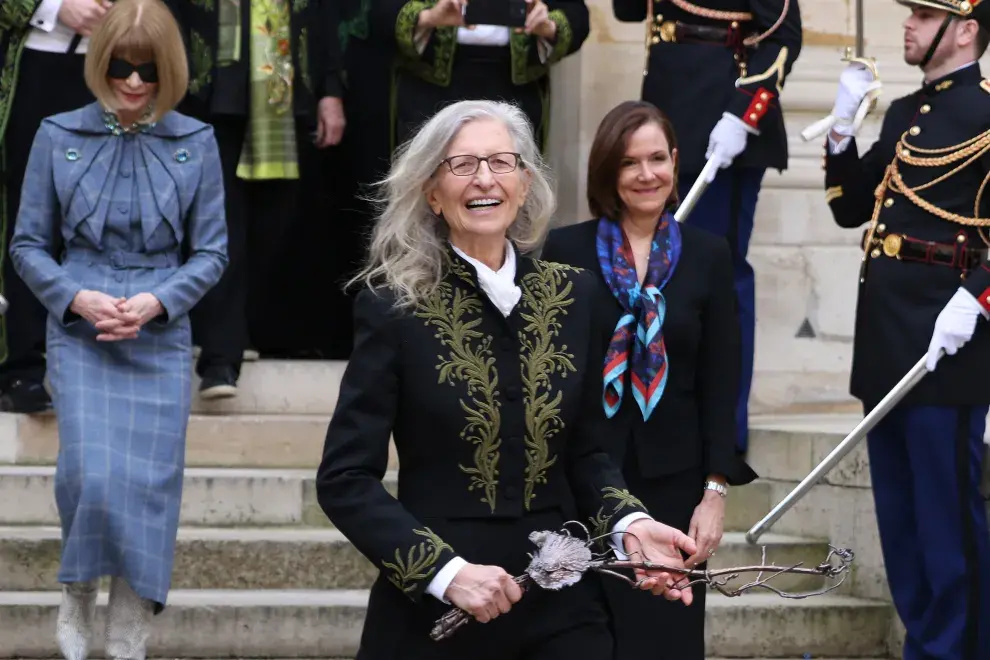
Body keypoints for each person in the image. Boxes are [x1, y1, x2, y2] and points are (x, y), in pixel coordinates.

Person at [316, 98, 699, 660]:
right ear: (432, 193)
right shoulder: (394, 306)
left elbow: (589, 454)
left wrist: (630, 525)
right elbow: (345, 478)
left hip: (564, 604)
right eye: (462, 164)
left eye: (501, 162)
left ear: (524, 184)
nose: (484, 178)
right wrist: (446, 574)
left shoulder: (576, 296)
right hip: (439, 609)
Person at [7, 0, 228, 657]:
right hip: (81, 332)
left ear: (171, 71)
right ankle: (77, 590)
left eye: (149, 71)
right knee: (92, 475)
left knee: (149, 485)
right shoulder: (56, 134)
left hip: (158, 334)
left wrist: (160, 301)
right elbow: (25, 245)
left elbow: (212, 252)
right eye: (123, 69)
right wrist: (75, 296)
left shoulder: (197, 142)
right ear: (101, 65)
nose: (134, 84)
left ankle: (130, 618)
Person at [541, 100, 758, 660]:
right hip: (582, 479)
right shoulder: (563, 251)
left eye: (657, 158)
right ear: (608, 172)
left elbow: (721, 381)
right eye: (630, 162)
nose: (646, 174)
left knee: (666, 637)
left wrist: (714, 493)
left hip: (675, 483)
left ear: (676, 162)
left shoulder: (710, 255)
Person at [822, 1, 990, 658]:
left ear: (967, 29)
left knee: (946, 516)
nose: (909, 25)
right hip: (888, 335)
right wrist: (840, 126)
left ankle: (960, 649)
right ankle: (925, 641)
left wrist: (976, 300)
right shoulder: (902, 113)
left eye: (925, 14)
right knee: (900, 514)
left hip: (949, 341)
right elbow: (851, 209)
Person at [611, 0, 802, 454]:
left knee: (719, 277)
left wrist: (743, 112)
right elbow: (627, 10)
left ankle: (722, 431)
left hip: (722, 115)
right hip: (665, 110)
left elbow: (782, 34)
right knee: (656, 276)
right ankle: (660, 415)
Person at [163, 0, 346, 397]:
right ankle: (220, 358)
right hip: (204, 96)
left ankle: (246, 331)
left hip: (285, 98)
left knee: (276, 225)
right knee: (221, 226)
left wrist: (331, 91)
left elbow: (324, 18)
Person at [0, 0, 117, 413]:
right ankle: (21, 367)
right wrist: (53, 6)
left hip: (117, 61)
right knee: (26, 216)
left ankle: (96, 358)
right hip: (31, 60)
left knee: (103, 213)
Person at [373, 0, 589, 153]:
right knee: (428, 183)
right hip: (429, 88)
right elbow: (379, 12)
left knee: (510, 177)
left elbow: (576, 15)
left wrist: (547, 25)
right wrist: (429, 17)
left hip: (514, 88)